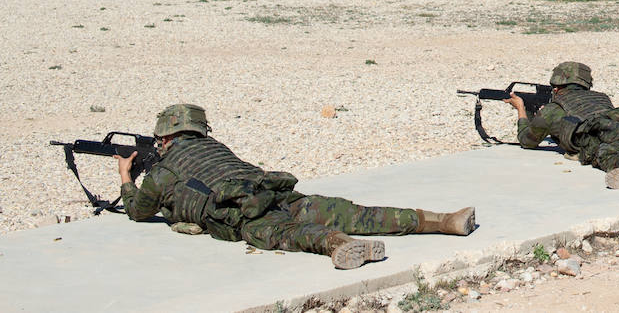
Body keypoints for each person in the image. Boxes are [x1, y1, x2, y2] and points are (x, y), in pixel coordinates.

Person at [116, 104, 476, 269]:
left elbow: (138, 211)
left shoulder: (163, 171)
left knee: (292, 234)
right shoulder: (215, 147)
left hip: (242, 213)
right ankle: (444, 221)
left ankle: (339, 245)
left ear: (164, 137)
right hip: (275, 191)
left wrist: (126, 178)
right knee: (356, 212)